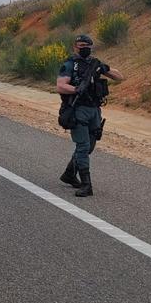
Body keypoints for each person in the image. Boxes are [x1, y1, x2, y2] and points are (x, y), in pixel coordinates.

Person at [56, 34, 123, 197]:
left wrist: (104, 68)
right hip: (77, 109)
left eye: (87, 46)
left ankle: (69, 173)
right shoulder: (70, 64)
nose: (84, 49)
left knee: (90, 145)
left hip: (94, 109)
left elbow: (119, 77)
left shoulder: (95, 64)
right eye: (81, 46)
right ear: (75, 47)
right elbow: (61, 86)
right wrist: (77, 89)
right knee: (83, 146)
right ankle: (87, 184)